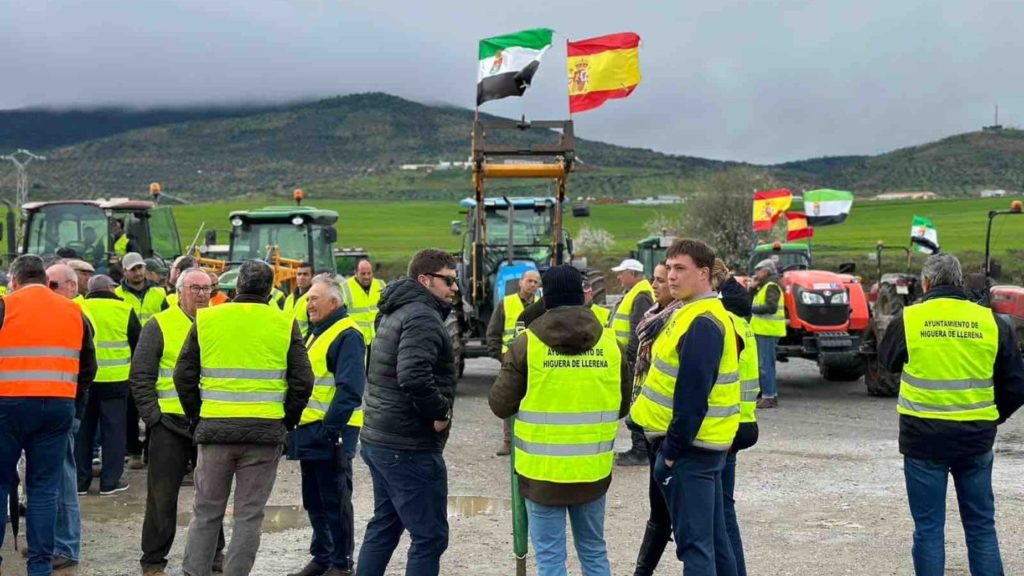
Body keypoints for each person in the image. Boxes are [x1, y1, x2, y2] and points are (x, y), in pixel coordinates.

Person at [879, 253, 1024, 576]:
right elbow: (1017, 385)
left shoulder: (910, 318)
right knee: (981, 527)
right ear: (960, 282)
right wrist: (991, 416)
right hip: (975, 438)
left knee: (929, 529)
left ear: (927, 283)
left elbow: (886, 362)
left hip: (923, 440)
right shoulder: (993, 322)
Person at [489, 265, 631, 576]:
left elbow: (500, 405)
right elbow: (622, 407)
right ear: (583, 296)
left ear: (546, 298)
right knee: (594, 552)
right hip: (592, 474)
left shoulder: (527, 345)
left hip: (542, 476)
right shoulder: (611, 346)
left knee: (551, 560)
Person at [175, 260, 314, 576]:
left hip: (215, 431)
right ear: (270, 289)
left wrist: (198, 416)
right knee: (249, 515)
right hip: (264, 434)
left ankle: (194, 571)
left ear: (236, 287)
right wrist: (286, 421)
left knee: (206, 511)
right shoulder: (283, 322)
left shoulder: (207, 319)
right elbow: (303, 380)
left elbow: (183, 374)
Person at [630, 238, 741, 576]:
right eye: (670, 268)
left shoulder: (702, 322)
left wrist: (671, 454)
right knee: (714, 542)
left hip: (690, 450)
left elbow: (693, 398)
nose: (672, 276)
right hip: (695, 448)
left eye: (681, 269)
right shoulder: (688, 312)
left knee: (695, 548)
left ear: (704, 274)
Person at [357, 249, 458, 576]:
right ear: (424, 280)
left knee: (386, 524)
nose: (454, 287)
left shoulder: (397, 310)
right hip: (407, 444)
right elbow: (414, 376)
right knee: (430, 536)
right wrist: (441, 412)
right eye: (448, 280)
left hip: (382, 438)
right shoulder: (421, 316)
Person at [0, 255, 96, 576]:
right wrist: (70, 400)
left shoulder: (4, 306)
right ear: (44, 279)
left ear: (14, 280)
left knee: (0, 485)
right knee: (44, 489)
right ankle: (39, 567)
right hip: (57, 408)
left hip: (7, 407)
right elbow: (88, 369)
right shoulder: (74, 311)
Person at [131, 268, 225, 576]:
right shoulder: (159, 324)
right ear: (179, 290)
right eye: (194, 288)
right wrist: (152, 418)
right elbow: (141, 375)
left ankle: (214, 555)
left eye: (206, 289)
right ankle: (153, 560)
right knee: (162, 495)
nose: (201, 294)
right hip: (169, 425)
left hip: (207, 423)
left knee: (212, 495)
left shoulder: (217, 323)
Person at [287, 274, 366, 576]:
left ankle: (340, 563)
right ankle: (322, 556)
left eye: (314, 299)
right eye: (307, 299)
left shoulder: (347, 335)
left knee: (334, 499)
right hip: (311, 429)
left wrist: (329, 431)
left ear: (334, 302)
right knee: (314, 499)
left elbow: (349, 391)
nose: (308, 304)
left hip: (331, 432)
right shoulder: (317, 332)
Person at [628, 261, 684, 576]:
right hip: (651, 426)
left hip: (669, 429)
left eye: (661, 280)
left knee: (670, 512)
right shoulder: (653, 317)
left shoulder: (675, 319)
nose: (656, 284)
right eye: (655, 279)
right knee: (659, 509)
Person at [714, 259, 759, 576]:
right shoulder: (742, 320)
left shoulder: (722, 322)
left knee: (720, 514)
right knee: (724, 510)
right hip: (743, 421)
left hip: (725, 427)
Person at [76, 274, 141, 496]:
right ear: (110, 289)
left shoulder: (78, 306)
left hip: (83, 380)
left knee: (83, 431)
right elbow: (138, 344)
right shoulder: (125, 310)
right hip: (116, 381)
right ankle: (110, 482)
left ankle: (80, 482)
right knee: (114, 433)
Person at [45, 263, 90, 571]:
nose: (46, 291)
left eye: (53, 285)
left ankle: (67, 546)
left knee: (62, 479)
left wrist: (72, 405)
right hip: (47, 409)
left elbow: (88, 369)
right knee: (46, 482)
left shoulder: (77, 318)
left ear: (72, 287)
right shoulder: (48, 316)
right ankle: (49, 544)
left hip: (64, 410)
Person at [115, 252, 168, 468]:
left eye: (140, 268)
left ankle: (150, 448)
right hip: (128, 357)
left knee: (154, 404)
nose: (138, 273)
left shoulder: (158, 293)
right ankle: (134, 450)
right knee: (131, 410)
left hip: (156, 354)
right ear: (124, 271)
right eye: (133, 269)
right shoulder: (117, 295)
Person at [487, 269, 541, 456]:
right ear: (521, 282)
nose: (532, 284)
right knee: (510, 398)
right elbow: (493, 333)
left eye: (535, 282)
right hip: (511, 361)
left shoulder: (542, 306)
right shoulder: (506, 304)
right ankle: (509, 442)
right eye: (529, 281)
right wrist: (502, 357)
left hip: (536, 361)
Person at [609, 258, 655, 466]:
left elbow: (639, 329)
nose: (618, 276)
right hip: (629, 358)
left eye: (622, 272)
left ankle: (640, 450)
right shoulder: (636, 293)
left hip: (632, 360)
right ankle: (639, 448)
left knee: (635, 402)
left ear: (633, 275)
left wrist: (630, 357)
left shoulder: (641, 295)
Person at [749, 259, 784, 409]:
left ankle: (769, 396)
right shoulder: (764, 286)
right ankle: (770, 394)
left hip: (767, 331)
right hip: (763, 330)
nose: (756, 273)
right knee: (766, 364)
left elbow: (771, 308)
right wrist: (751, 288)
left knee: (765, 365)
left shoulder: (771, 286)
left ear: (766, 271)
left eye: (759, 270)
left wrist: (751, 309)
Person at [340, 259, 387, 345]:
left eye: (369, 273)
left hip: (378, 338)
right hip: (355, 338)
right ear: (356, 272)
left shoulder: (381, 285)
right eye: (363, 274)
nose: (367, 277)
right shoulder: (344, 287)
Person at [286, 262, 315, 335]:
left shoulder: (313, 298)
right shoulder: (289, 298)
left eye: (305, 274)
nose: (301, 277)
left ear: (313, 277)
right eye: (299, 274)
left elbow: (314, 328)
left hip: (303, 344)